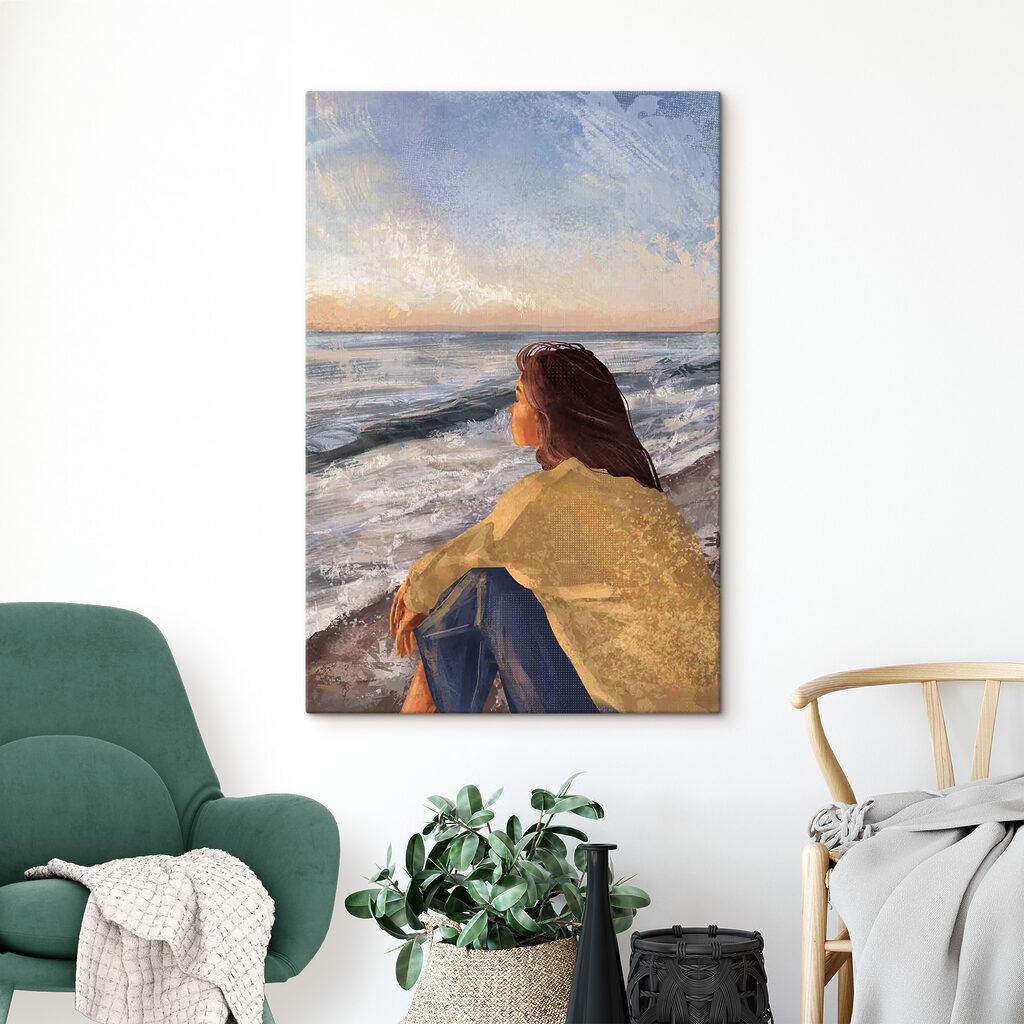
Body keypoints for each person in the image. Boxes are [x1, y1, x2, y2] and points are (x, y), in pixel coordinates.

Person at [389, 341, 719, 714]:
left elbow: (468, 553)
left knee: (485, 587)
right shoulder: (647, 500)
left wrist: (416, 597)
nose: (510, 409)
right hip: (703, 711)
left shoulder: (546, 498)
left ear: (548, 413)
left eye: (519, 397)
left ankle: (421, 720)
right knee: (507, 585)